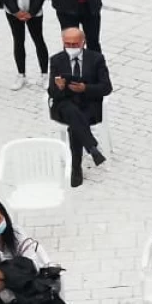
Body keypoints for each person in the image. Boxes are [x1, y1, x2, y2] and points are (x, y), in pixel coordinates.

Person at [49, 28, 110, 188]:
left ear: (83, 42)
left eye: (74, 44)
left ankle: (76, 167)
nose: (71, 46)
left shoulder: (96, 59)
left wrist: (86, 89)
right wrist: (60, 88)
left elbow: (106, 87)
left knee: (75, 123)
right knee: (71, 112)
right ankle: (91, 147)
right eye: (67, 44)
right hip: (64, 104)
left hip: (88, 104)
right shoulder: (56, 60)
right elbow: (52, 92)